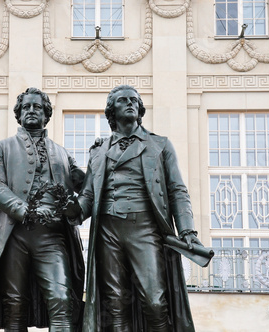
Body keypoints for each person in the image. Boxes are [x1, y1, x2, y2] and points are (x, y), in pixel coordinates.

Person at [68, 85, 201, 332]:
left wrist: (188, 231)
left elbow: (177, 191)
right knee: (115, 304)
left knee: (155, 300)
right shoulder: (98, 152)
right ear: (111, 111)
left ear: (140, 109)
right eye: (122, 100)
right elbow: (87, 197)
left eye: (134, 100)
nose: (130, 103)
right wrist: (70, 210)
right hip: (108, 232)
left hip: (145, 229)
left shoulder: (160, 145)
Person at [0, 87, 85, 332]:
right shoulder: (1, 149)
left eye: (37, 107)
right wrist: (25, 209)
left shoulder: (63, 153)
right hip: (14, 233)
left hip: (53, 236)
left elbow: (86, 187)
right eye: (26, 107)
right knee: (14, 304)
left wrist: (101, 157)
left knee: (62, 300)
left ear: (46, 113)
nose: (31, 111)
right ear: (18, 114)